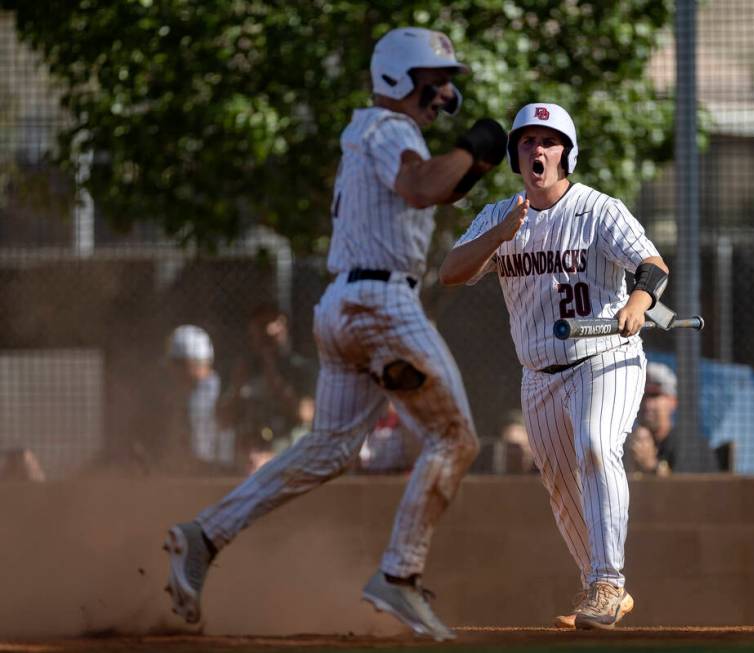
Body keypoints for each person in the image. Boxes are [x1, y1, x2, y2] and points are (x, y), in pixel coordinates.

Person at [164, 27, 507, 641]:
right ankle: (398, 576)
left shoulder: (376, 133)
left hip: (346, 305)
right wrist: (477, 147)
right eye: (437, 81)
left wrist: (471, 161)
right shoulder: (388, 129)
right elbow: (423, 185)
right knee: (454, 439)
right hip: (378, 307)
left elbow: (431, 184)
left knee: (329, 450)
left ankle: (204, 534)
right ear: (401, 80)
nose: (446, 93)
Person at [439, 102, 668, 630]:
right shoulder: (498, 216)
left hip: (605, 356)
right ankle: (598, 589)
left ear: (566, 152)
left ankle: (609, 581)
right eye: (526, 141)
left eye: (548, 141)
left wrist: (638, 303)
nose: (537, 149)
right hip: (538, 371)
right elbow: (451, 272)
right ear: (515, 154)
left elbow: (652, 266)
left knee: (594, 444)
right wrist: (499, 236)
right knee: (561, 484)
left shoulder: (598, 210)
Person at [218, 304, 318, 468]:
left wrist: (274, 378)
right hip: (248, 453)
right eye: (261, 327)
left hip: (290, 452)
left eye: (275, 324)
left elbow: (305, 414)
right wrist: (237, 387)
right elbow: (223, 420)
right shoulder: (241, 369)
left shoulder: (301, 370)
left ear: (285, 329)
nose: (268, 331)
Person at [626, 362, 720, 476]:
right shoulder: (627, 445)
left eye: (655, 396)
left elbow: (685, 491)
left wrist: (651, 466)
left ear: (673, 401)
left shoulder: (691, 446)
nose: (647, 404)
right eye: (641, 396)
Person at [164, 325, 235, 472]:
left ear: (190, 363)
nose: (171, 370)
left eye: (176, 363)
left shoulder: (221, 392)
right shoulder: (186, 393)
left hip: (217, 470)